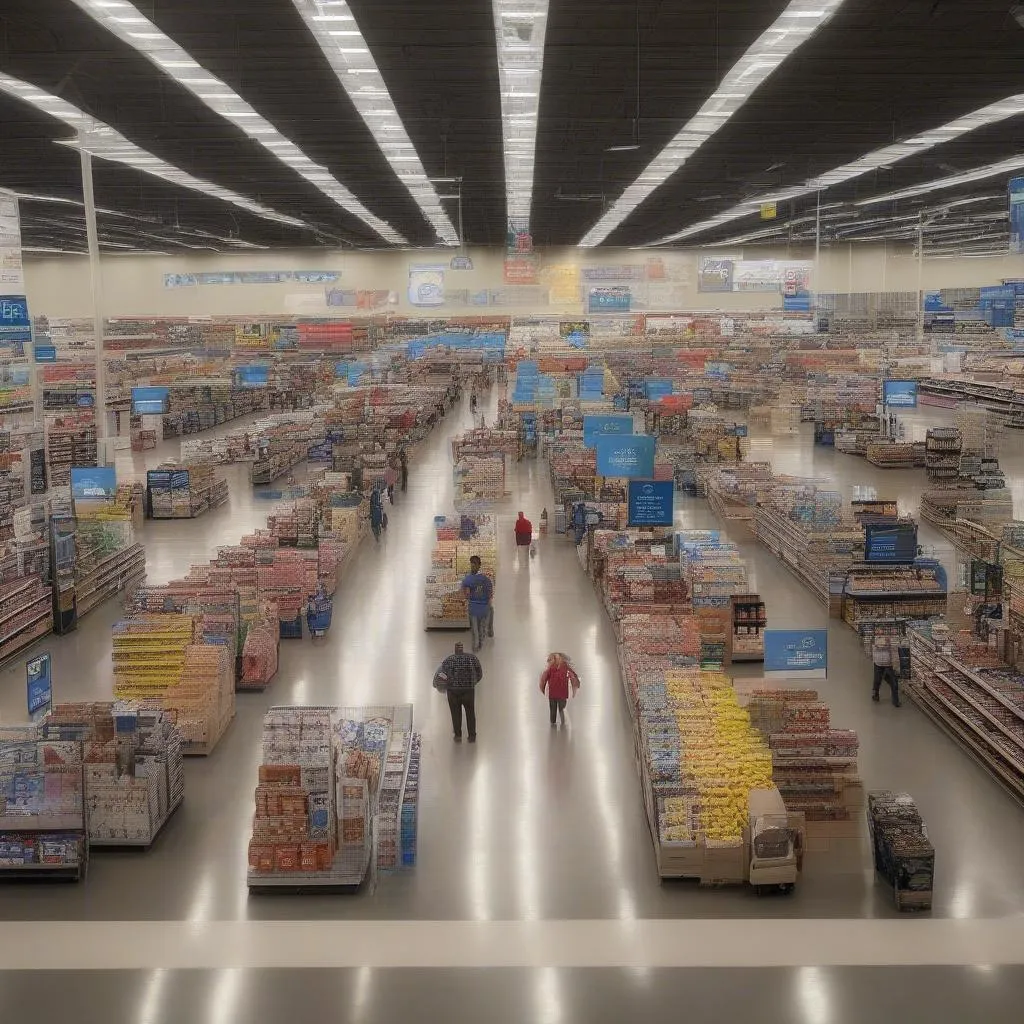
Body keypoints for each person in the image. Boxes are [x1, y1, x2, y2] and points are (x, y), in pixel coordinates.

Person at [433, 641, 482, 742]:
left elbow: (441, 676)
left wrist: (447, 685)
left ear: (455, 650)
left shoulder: (448, 660)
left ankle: (458, 735)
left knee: (455, 714)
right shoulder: (472, 658)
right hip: (468, 691)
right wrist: (472, 683)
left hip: (453, 692)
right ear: (462, 649)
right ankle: (472, 736)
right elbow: (479, 673)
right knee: (470, 713)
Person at [539, 652, 580, 728]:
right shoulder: (552, 669)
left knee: (560, 710)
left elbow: (573, 677)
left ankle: (559, 724)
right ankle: (556, 723)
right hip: (556, 694)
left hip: (560, 694)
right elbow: (543, 679)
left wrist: (575, 685)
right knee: (556, 710)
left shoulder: (564, 668)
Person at [461, 554, 493, 651]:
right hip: (484, 607)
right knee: (481, 625)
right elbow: (490, 593)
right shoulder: (486, 579)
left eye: (472, 564)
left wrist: (468, 597)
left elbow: (464, 589)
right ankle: (481, 639)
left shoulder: (469, 579)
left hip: (473, 608)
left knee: (474, 627)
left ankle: (476, 644)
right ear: (480, 565)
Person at [871, 636, 900, 706]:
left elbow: (895, 648)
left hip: (889, 663)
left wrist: (896, 663)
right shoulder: (875, 637)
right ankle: (875, 695)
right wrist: (886, 641)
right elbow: (876, 644)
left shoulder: (892, 636)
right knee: (877, 681)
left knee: (894, 682)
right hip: (878, 663)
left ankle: (895, 701)